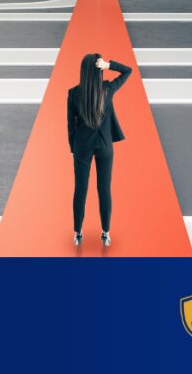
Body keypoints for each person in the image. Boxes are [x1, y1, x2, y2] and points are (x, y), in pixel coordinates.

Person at [66, 53, 133, 248]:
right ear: (99, 70)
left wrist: (72, 148)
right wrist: (109, 64)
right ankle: (106, 233)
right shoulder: (107, 90)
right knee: (104, 189)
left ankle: (78, 233)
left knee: (80, 189)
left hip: (81, 147)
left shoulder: (73, 93)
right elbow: (128, 71)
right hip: (104, 145)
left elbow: (71, 125)